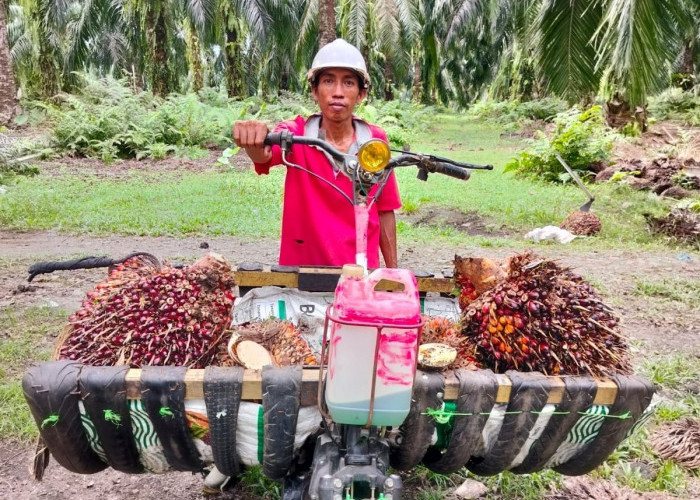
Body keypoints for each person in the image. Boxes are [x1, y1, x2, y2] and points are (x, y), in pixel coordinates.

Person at [233, 38, 401, 269]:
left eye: (349, 83)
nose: (338, 92)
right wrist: (252, 138)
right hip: (302, 273)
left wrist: (393, 273)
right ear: (315, 90)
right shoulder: (296, 134)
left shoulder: (374, 141)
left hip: (360, 273)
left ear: (361, 94)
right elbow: (263, 155)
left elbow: (384, 210)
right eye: (329, 81)